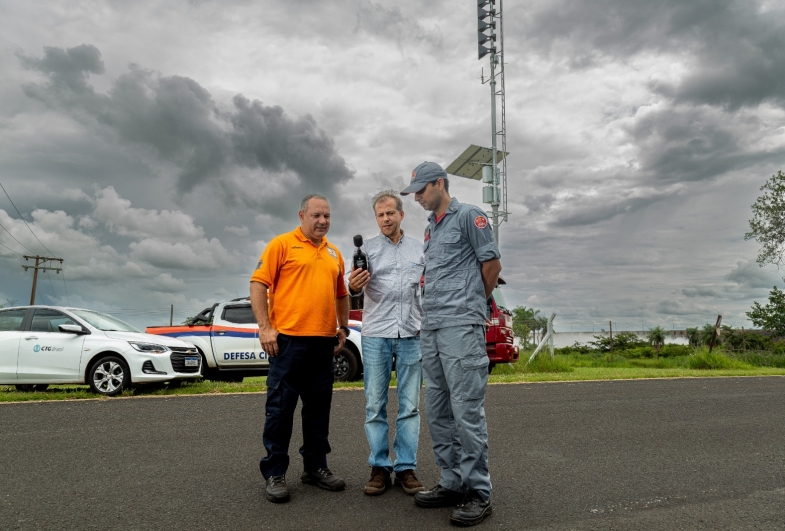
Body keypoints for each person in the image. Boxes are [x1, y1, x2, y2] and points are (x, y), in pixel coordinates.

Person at [400, 162, 502, 526]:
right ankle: (452, 481)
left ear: (440, 184)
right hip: (433, 327)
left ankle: (478, 492)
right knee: (439, 408)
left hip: (461, 326)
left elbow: (491, 264)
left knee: (466, 410)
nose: (416, 197)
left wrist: (473, 303)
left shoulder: (469, 216)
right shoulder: (431, 229)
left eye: (421, 190)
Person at [250, 194, 351, 504]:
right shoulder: (281, 244)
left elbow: (342, 294)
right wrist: (266, 328)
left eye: (327, 216)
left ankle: (316, 467)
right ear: (302, 215)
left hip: (323, 344)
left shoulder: (334, 252)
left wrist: (343, 327)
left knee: (318, 410)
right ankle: (275, 472)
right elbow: (258, 284)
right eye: (316, 215)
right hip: (288, 343)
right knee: (280, 409)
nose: (322, 221)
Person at [347, 190, 425, 497]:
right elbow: (347, 281)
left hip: (412, 334)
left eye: (390, 213)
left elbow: (429, 288)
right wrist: (351, 283)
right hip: (376, 334)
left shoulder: (421, 250)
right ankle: (379, 466)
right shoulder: (365, 249)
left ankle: (405, 467)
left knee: (409, 405)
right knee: (374, 404)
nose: (385, 219)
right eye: (380, 215)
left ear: (402, 214)